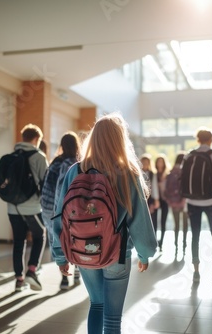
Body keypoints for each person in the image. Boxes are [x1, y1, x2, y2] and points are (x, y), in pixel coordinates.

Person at [51, 112, 157, 334]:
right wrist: (145, 253)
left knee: (96, 305)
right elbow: (139, 218)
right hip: (117, 254)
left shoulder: (75, 171)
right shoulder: (128, 172)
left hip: (82, 250)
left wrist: (61, 254)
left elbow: (59, 214)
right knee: (112, 318)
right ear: (120, 139)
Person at [8, 124, 48, 292]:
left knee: (19, 241)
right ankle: (32, 270)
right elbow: (44, 184)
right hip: (32, 208)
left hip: (12, 208)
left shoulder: (11, 156)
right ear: (36, 139)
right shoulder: (39, 156)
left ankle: (19, 280)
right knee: (40, 236)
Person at [185, 128, 212, 282]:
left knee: (195, 234)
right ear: (211, 139)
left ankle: (196, 270)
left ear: (198, 140)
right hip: (211, 200)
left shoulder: (189, 155)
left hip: (191, 201)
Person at [41, 131, 81, 290]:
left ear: (62, 146)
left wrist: (47, 212)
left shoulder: (55, 163)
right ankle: (77, 270)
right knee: (77, 240)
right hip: (74, 211)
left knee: (60, 241)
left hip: (53, 210)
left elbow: (47, 188)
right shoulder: (79, 163)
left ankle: (64, 277)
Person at [165, 152, 188, 253]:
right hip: (184, 201)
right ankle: (184, 242)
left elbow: (166, 189)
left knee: (177, 224)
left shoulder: (170, 173)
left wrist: (169, 200)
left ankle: (176, 242)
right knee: (185, 223)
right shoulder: (186, 171)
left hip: (173, 201)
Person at [140, 153, 160, 237]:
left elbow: (154, 187)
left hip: (150, 199)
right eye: (143, 162)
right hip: (141, 198)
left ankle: (153, 236)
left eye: (146, 162)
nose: (145, 164)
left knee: (153, 219)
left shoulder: (152, 174)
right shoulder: (138, 173)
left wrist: (156, 199)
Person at [154, 154, 170, 251]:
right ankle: (154, 242)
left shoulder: (168, 174)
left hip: (165, 200)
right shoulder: (153, 174)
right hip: (155, 200)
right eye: (158, 161)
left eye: (161, 161)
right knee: (154, 222)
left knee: (163, 222)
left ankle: (161, 243)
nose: (160, 163)